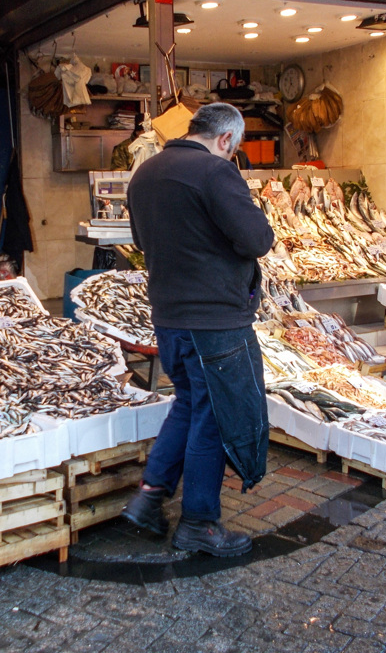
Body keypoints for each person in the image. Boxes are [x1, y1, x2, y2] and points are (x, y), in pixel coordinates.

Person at [120, 103, 275, 557]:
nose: (232, 157)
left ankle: (149, 497)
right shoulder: (214, 172)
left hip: (168, 316)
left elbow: (143, 242)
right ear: (225, 139)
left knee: (189, 403)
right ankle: (200, 523)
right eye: (235, 149)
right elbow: (257, 240)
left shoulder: (145, 175)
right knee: (214, 417)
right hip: (215, 323)